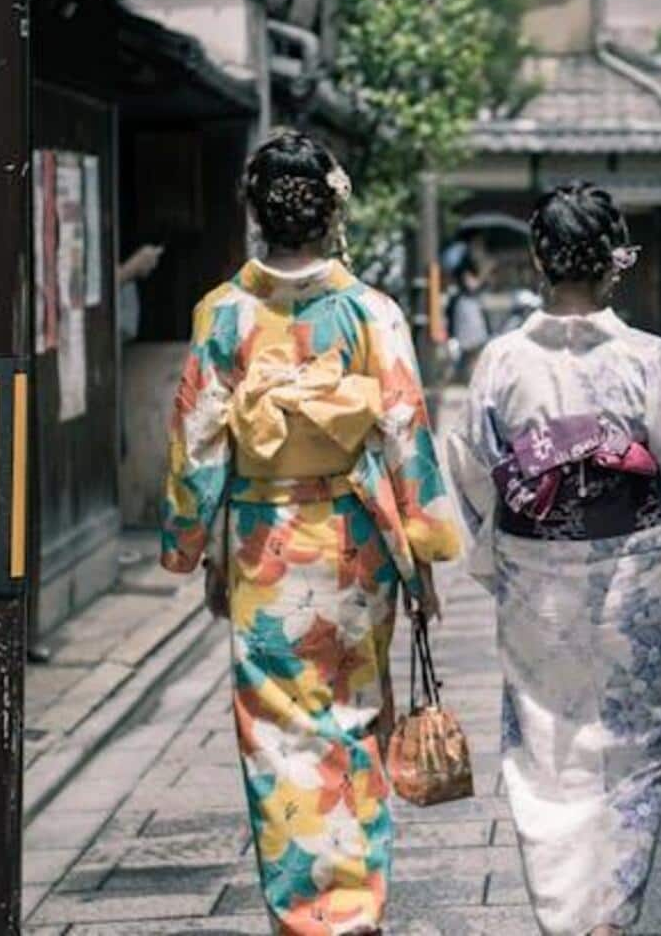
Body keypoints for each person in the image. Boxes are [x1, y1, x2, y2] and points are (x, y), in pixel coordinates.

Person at [160, 128, 463, 935]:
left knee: (278, 738)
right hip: (356, 538)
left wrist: (190, 543)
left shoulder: (224, 314)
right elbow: (406, 431)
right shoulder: (372, 312)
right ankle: (357, 909)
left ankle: (305, 915)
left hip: (265, 541)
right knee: (356, 720)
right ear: (333, 211)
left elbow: (197, 445)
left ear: (255, 214)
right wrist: (425, 554)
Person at [445, 182, 661, 936]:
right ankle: (611, 912)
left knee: (546, 750)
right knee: (635, 746)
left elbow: (472, 472)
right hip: (633, 570)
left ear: (538, 258)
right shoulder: (648, 359)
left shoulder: (501, 362)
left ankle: (564, 917)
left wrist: (498, 548)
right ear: (612, 263)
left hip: (537, 576)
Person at [445, 258, 491, 382]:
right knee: (462, 364)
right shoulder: (456, 299)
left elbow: (485, 318)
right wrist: (451, 337)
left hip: (478, 337)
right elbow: (450, 319)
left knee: (476, 363)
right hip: (463, 338)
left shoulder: (478, 297)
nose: (469, 281)